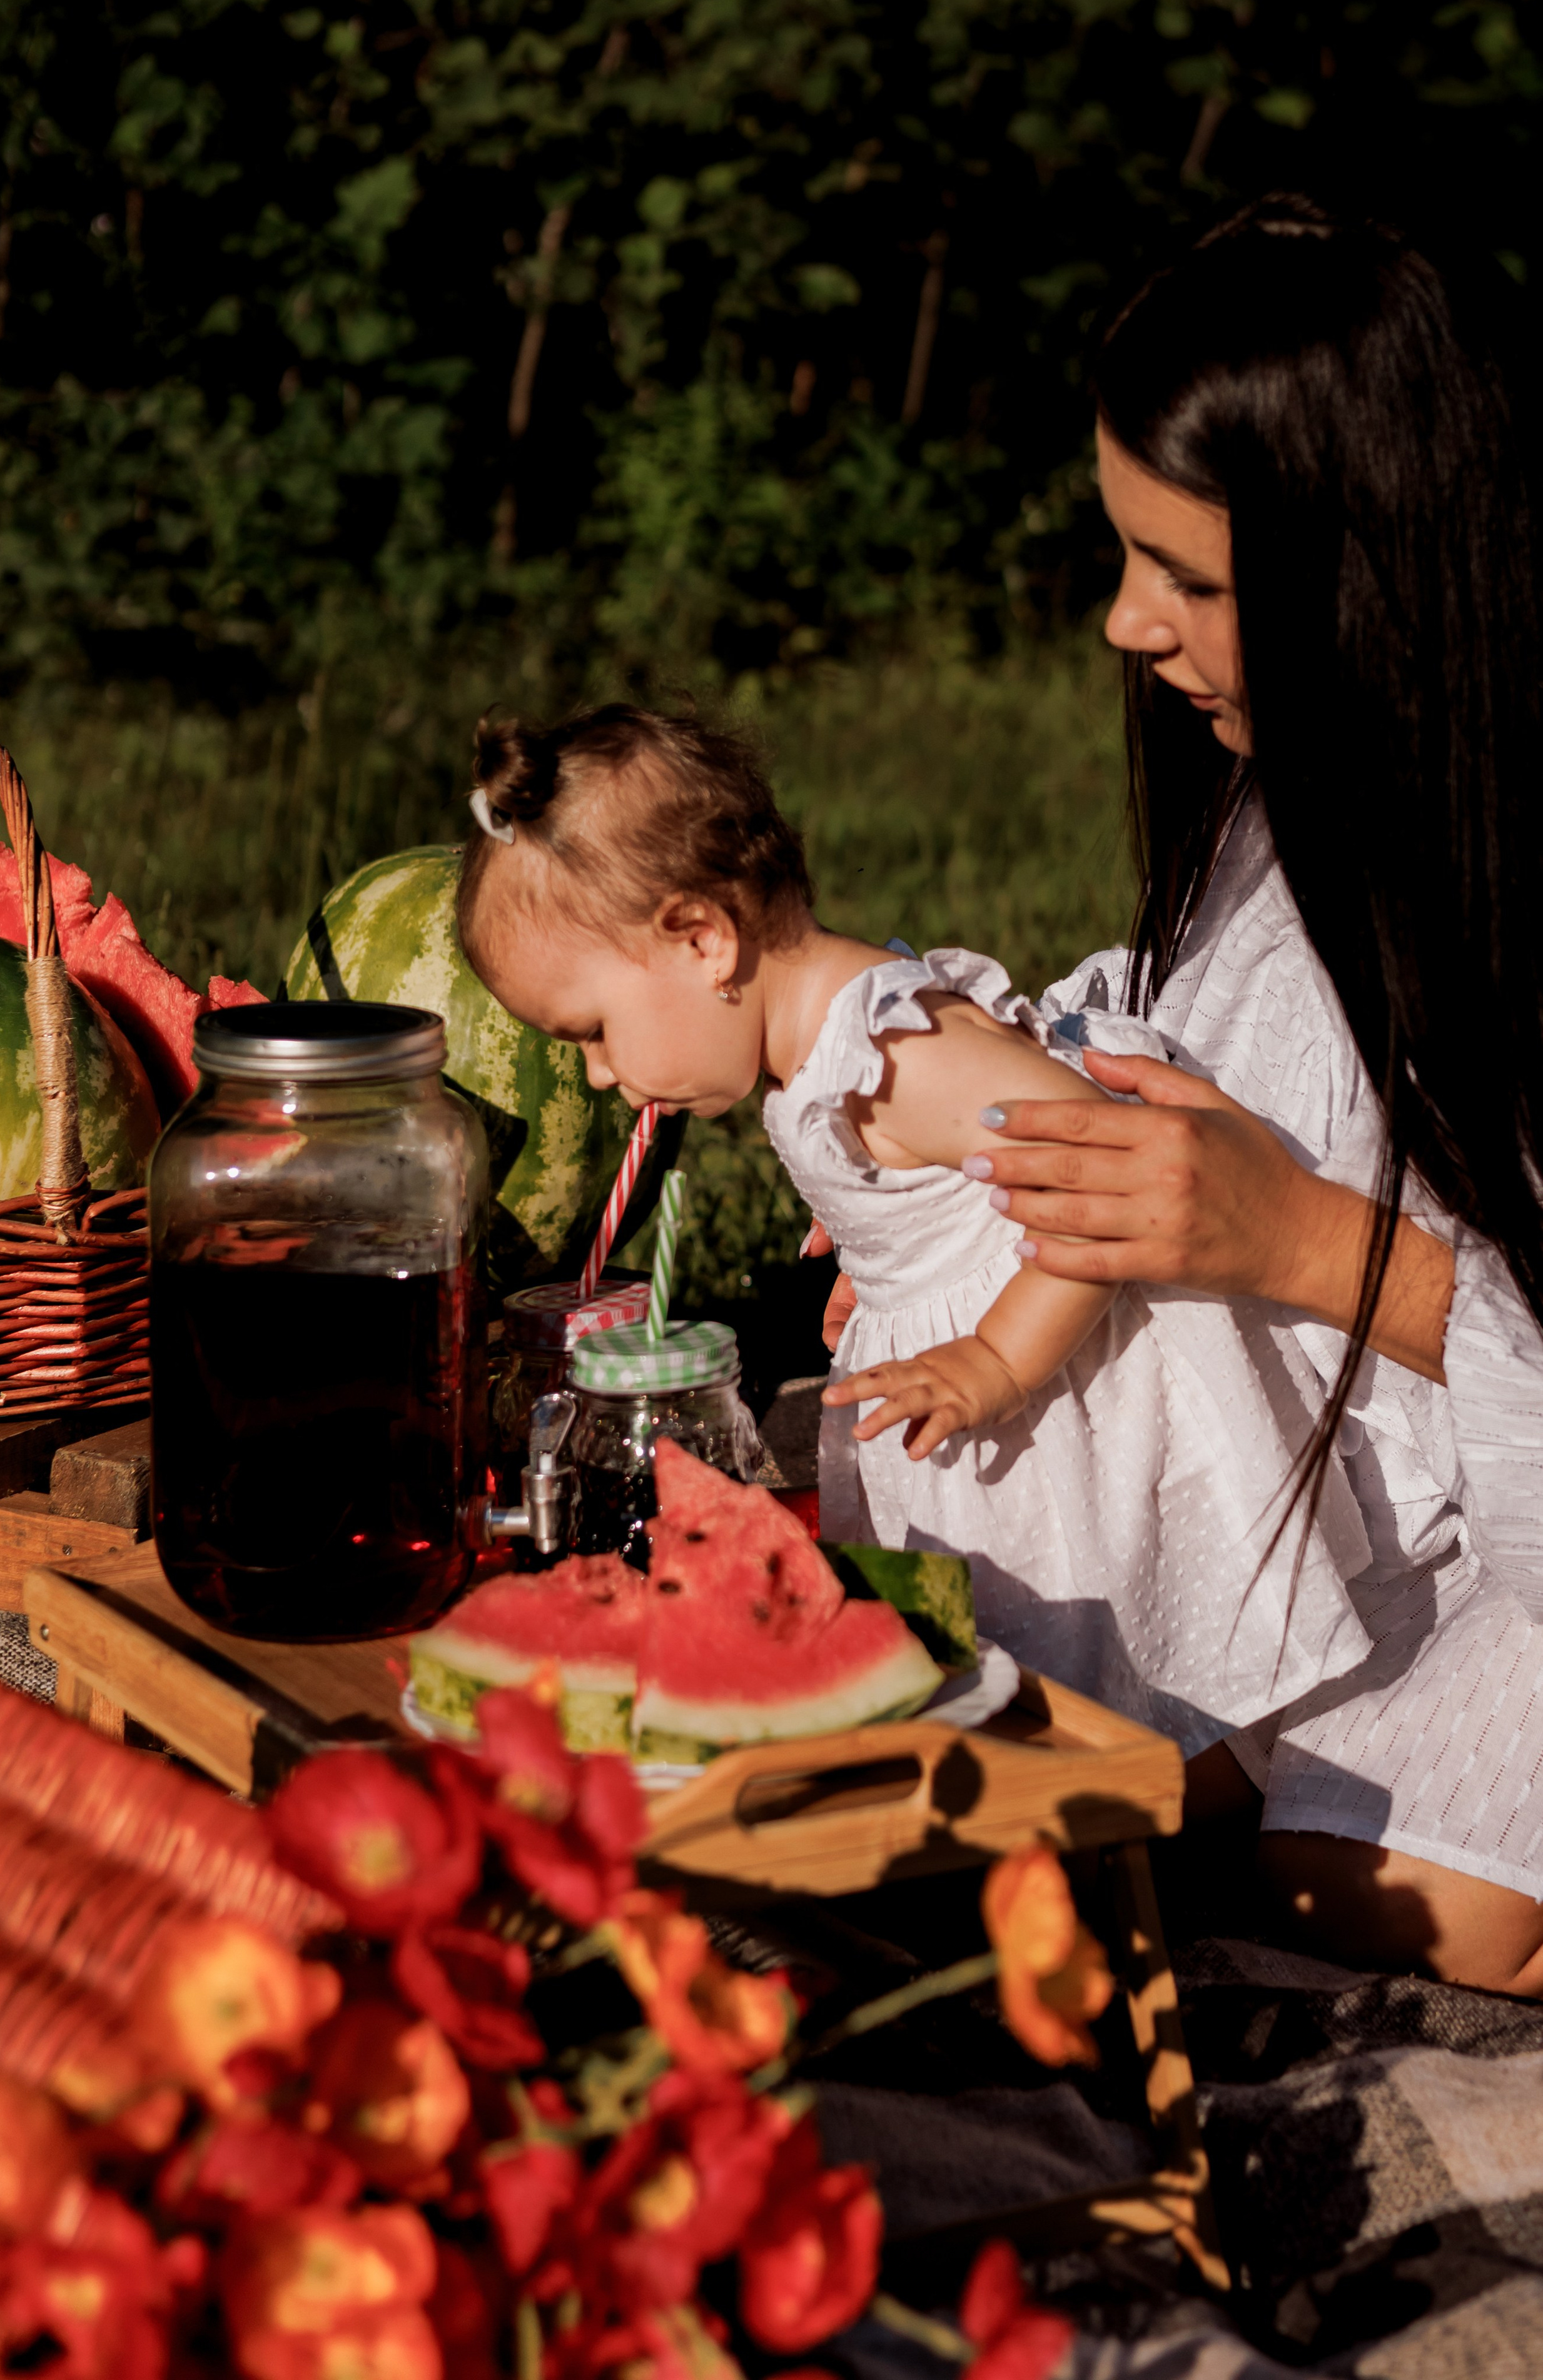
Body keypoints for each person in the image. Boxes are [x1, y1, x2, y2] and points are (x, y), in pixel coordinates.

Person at [951, 196, 1543, 1990]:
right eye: (1125, 556)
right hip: (1339, 1519)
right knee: (1120, 1790)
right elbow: (1171, 1047)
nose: (1128, 624)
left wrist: (1308, 1244)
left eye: (1192, 580)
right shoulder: (1282, 808)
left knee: (1373, 1895)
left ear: (1370, 562)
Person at [457, 702, 1377, 1768]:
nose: (601, 1076)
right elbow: (954, 1179)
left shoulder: (893, 1056)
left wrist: (993, 1355)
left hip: (1062, 1373)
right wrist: (887, 1241)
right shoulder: (827, 1050)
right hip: (985, 1366)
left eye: (594, 1034)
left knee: (1123, 1654)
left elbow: (1110, 1170)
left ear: (703, 939)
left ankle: (1181, 1794)